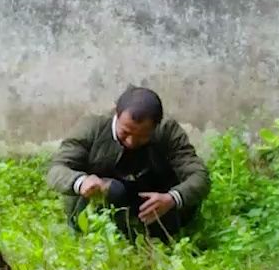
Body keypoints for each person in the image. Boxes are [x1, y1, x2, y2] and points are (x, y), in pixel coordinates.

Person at [47, 86, 210, 240]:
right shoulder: (92, 127)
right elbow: (57, 169)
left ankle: (153, 233)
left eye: (142, 136)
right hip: (101, 200)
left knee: (179, 206)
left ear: (156, 126)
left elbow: (199, 176)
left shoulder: (167, 131)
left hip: (149, 198)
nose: (131, 141)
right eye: (125, 132)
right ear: (116, 115)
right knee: (113, 190)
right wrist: (81, 182)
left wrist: (172, 198)